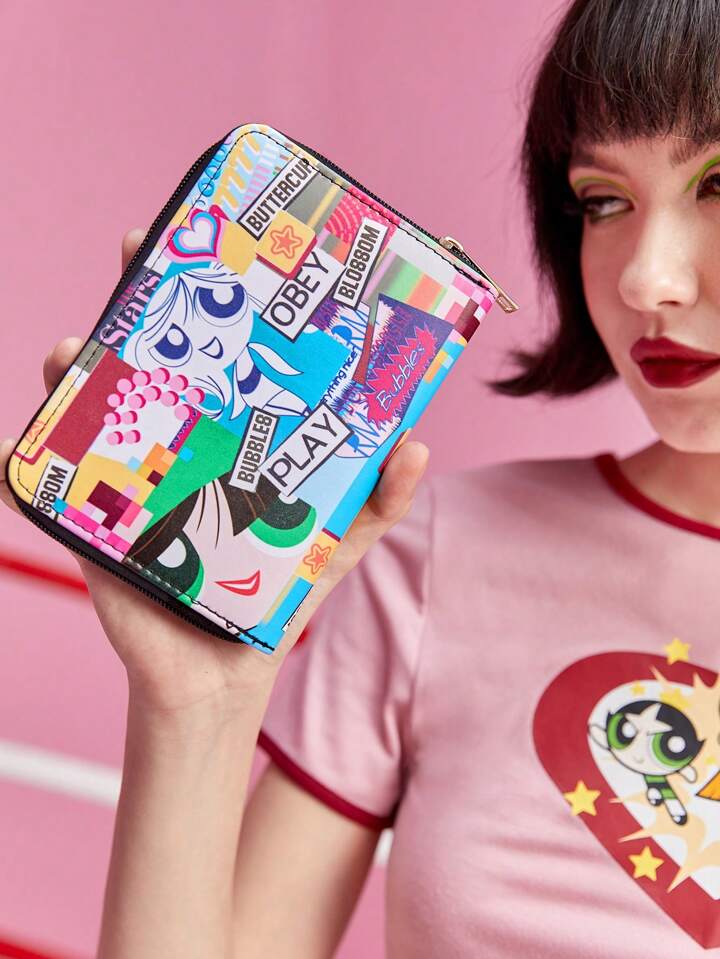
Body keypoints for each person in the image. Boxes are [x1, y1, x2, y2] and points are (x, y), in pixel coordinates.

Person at [2, 0, 720, 954]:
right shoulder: (443, 558)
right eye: (603, 200)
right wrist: (195, 710)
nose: (645, 279)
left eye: (718, 183)